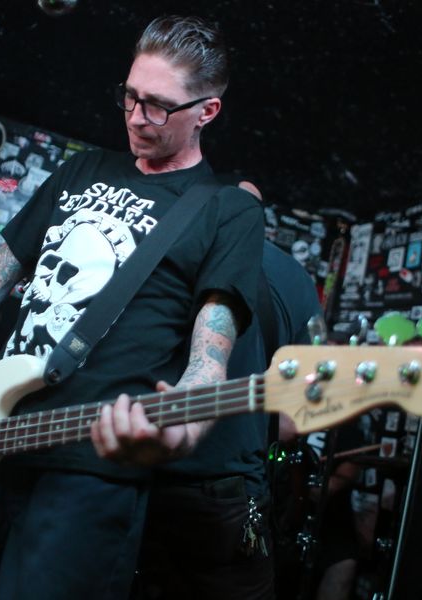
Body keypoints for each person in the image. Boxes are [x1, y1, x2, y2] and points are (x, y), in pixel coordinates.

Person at [0, 15, 264, 600]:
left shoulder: (226, 210)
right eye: (131, 95)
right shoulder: (83, 170)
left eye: (159, 106)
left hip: (89, 474)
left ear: (207, 111)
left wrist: (180, 432)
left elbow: (210, 357)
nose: (137, 116)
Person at [130, 177, 323, 599]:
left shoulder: (169, 247)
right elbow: (293, 423)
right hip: (231, 493)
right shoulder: (297, 279)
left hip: (142, 476)